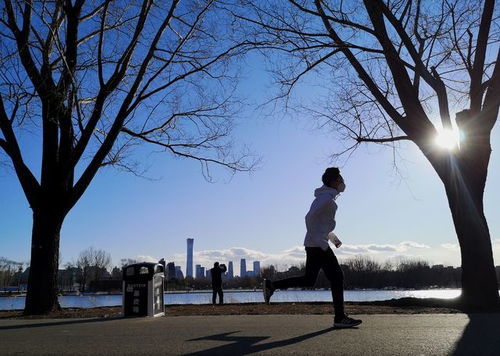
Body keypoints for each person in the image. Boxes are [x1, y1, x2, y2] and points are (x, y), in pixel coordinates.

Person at [263, 167, 362, 329]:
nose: (343, 183)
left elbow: (321, 225)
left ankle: (271, 285)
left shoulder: (327, 197)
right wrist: (321, 242)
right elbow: (309, 218)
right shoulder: (326, 199)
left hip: (314, 244)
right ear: (333, 182)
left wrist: (334, 239)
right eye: (340, 180)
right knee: (337, 277)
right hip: (317, 245)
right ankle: (340, 317)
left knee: (309, 279)